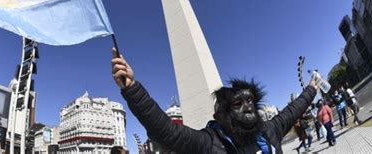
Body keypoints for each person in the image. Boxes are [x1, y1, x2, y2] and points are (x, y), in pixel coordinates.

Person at [111, 48, 319, 153]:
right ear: (219, 116)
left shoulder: (269, 130)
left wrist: (311, 89)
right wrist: (132, 89)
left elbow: (294, 109)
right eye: (237, 104)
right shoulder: (208, 144)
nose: (248, 107)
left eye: (250, 101)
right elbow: (167, 132)